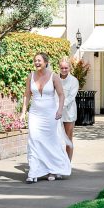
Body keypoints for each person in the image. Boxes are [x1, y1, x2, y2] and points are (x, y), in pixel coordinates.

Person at [22, 52, 72, 183]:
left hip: (51, 114)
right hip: (35, 114)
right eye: (35, 60)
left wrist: (60, 110)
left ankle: (53, 169)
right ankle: (34, 172)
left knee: (51, 142)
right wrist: (23, 112)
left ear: (45, 62)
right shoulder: (30, 76)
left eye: (39, 60)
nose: (36, 63)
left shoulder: (54, 77)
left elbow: (61, 95)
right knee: (34, 140)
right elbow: (27, 95)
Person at [57, 57, 79, 161]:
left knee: (68, 138)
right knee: (56, 139)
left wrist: (60, 107)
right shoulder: (55, 79)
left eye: (66, 68)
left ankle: (67, 164)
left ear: (69, 68)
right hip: (56, 112)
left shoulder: (74, 81)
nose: (64, 70)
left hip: (69, 113)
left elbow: (70, 97)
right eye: (62, 68)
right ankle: (57, 164)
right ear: (59, 67)